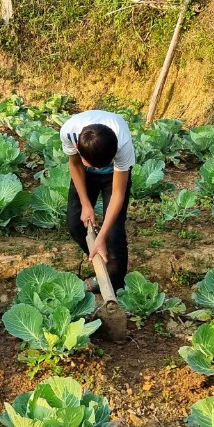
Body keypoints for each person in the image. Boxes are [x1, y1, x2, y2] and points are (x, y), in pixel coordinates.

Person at [61, 109, 135, 293]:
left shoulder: (122, 143)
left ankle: (115, 285)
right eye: (94, 165)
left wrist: (101, 236)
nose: (98, 168)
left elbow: (118, 194)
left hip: (115, 177)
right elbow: (75, 164)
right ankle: (101, 265)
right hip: (84, 175)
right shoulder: (69, 132)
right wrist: (86, 204)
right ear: (79, 149)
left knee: (114, 235)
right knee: (75, 224)